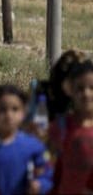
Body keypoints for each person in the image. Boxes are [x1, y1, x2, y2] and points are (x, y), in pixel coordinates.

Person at [48, 51, 93, 193]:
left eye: (92, 88)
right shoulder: (60, 128)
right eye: (80, 88)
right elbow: (51, 173)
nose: (86, 93)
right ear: (69, 90)